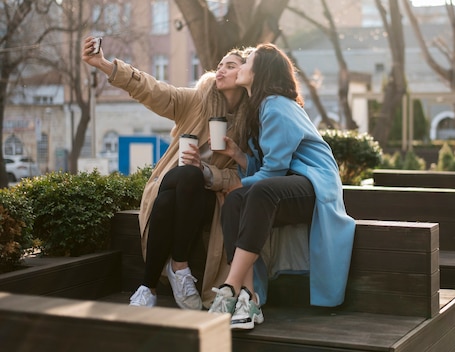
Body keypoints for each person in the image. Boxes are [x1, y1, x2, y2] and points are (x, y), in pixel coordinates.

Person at [81, 36, 249, 310]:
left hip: (207, 198)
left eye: (230, 66)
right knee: (187, 175)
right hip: (176, 178)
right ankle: (179, 267)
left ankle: (147, 287)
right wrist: (104, 64)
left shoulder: (250, 123)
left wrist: (208, 171)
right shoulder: (198, 100)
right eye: (219, 64)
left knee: (176, 194)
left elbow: (245, 175)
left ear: (245, 75)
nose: (220, 69)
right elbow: (153, 90)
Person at [208, 43, 356, 330]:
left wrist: (241, 181)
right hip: (286, 186)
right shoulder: (259, 107)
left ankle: (230, 288)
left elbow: (274, 171)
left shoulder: (276, 104)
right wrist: (239, 156)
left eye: (247, 61)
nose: (242, 66)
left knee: (253, 190)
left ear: (260, 71)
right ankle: (249, 298)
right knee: (236, 200)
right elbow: (270, 169)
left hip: (314, 185)